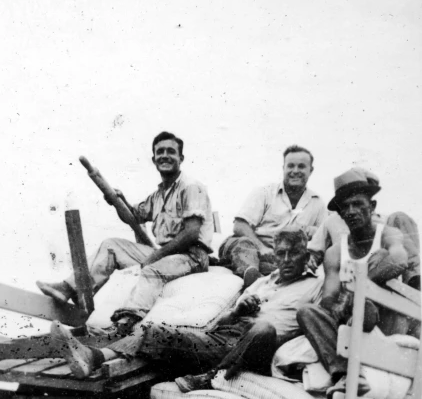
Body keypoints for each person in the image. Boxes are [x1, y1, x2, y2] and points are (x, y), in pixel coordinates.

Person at [51, 227, 323, 384]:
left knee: (262, 328)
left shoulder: (315, 286)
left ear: (306, 255)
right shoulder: (265, 282)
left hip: (259, 348)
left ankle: (210, 378)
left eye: (293, 253)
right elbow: (221, 323)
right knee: (154, 330)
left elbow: (314, 326)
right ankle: (93, 357)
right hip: (226, 337)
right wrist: (239, 310)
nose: (286, 260)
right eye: (281, 253)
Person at [36, 131, 214, 335]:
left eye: (171, 151)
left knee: (151, 270)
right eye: (160, 152)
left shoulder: (190, 187)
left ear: (180, 158)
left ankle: (125, 321)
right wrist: (117, 200)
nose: (165, 155)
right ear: (154, 159)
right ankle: (69, 289)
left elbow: (191, 233)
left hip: (191, 256)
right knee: (111, 245)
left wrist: (156, 256)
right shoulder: (158, 195)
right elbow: (133, 216)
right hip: (167, 253)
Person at [297, 169, 409, 399]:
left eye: (358, 204)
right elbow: (329, 298)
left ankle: (350, 371)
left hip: (383, 321)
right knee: (307, 312)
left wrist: (360, 286)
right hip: (349, 319)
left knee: (365, 302)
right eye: (344, 207)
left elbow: (399, 259)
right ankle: (347, 374)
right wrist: (342, 302)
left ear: (373, 206)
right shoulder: (336, 252)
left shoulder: (387, 234)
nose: (351, 212)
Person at [218, 145, 327, 278]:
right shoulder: (264, 193)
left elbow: (324, 239)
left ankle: (261, 276)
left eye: (301, 166)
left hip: (281, 258)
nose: (295, 171)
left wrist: (315, 232)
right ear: (283, 168)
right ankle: (253, 278)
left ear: (311, 170)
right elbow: (240, 225)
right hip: (253, 247)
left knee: (296, 266)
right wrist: (262, 248)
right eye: (290, 166)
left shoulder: (318, 203)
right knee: (243, 245)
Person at [308, 169, 420, 289]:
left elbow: (398, 254)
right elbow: (314, 251)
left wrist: (361, 285)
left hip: (376, 276)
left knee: (398, 222)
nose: (352, 210)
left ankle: (414, 282)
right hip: (344, 271)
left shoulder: (385, 222)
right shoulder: (330, 221)